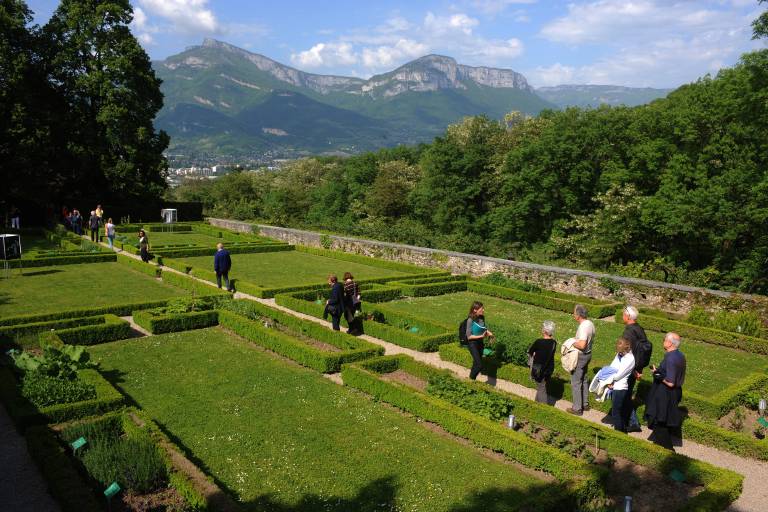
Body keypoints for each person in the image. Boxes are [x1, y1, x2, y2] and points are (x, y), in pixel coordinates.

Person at [645, 332, 687, 450]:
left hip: (666, 393)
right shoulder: (680, 355)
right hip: (675, 392)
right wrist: (659, 371)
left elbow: (670, 382)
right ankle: (660, 447)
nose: (663, 341)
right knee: (663, 419)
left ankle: (669, 450)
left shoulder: (670, 358)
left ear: (669, 343)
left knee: (658, 420)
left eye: (664, 339)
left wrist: (657, 374)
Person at [622, 305, 652, 432]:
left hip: (630, 368)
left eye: (623, 314)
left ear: (628, 317)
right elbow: (642, 352)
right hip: (636, 367)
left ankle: (633, 422)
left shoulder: (628, 331)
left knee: (624, 395)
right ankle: (628, 419)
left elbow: (626, 352)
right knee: (627, 394)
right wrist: (639, 369)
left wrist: (633, 370)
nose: (622, 316)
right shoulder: (639, 329)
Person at [567, 304, 595, 416]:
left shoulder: (583, 327)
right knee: (583, 379)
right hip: (588, 354)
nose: (573, 314)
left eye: (574, 313)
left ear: (578, 315)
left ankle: (577, 408)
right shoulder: (590, 323)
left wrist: (571, 342)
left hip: (581, 355)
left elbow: (582, 344)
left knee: (576, 382)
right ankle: (585, 404)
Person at [605, 337, 636, 432]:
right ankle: (621, 429)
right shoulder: (620, 354)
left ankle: (619, 432)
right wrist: (609, 380)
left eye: (620, 351)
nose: (619, 352)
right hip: (615, 386)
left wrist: (609, 379)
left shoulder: (630, 359)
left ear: (625, 348)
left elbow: (619, 375)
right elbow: (612, 366)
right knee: (618, 411)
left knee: (616, 413)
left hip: (620, 388)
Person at [528, 320, 557, 404]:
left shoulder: (539, 342)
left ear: (544, 331)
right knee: (541, 386)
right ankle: (536, 403)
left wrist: (534, 353)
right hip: (549, 368)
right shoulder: (554, 343)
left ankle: (544, 407)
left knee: (541, 388)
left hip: (539, 370)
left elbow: (530, 351)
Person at [463, 301, 494, 380]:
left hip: (480, 343)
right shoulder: (470, 320)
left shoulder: (481, 318)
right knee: (479, 365)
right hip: (472, 344)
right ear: (475, 310)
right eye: (482, 309)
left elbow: (483, 328)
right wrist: (481, 336)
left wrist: (489, 333)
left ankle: (471, 380)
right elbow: (469, 336)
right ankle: (471, 379)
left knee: (476, 363)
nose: (483, 310)